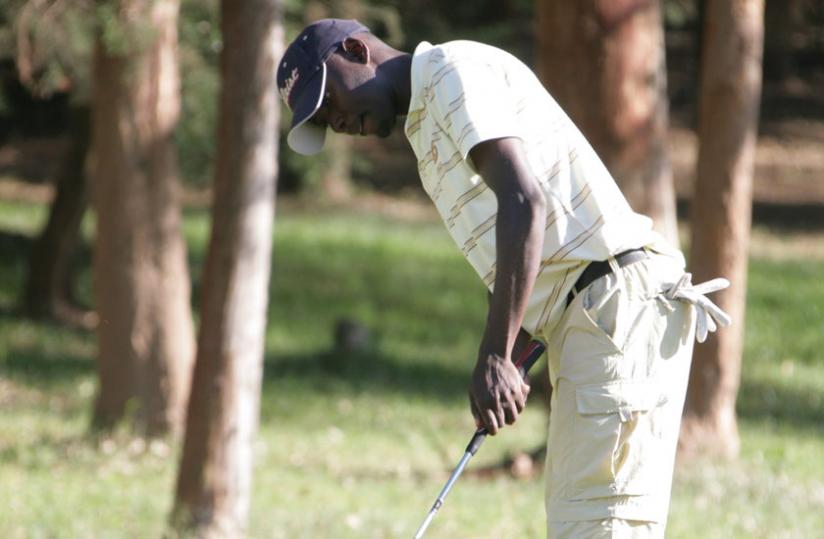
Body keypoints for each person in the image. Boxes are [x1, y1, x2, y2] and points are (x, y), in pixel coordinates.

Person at [277, 19, 731, 539]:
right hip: (590, 313)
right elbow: (529, 235)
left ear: (356, 49)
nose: (336, 122)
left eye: (328, 100)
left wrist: (495, 352)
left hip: (615, 305)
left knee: (599, 526)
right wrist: (519, 341)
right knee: (579, 522)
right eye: (322, 121)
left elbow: (524, 200)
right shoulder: (426, 122)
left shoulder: (450, 73)